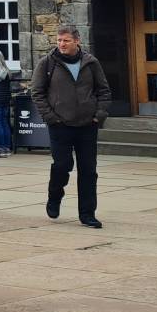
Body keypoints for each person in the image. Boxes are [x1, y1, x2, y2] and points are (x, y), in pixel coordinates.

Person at [30, 25, 110, 229]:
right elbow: (37, 93)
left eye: (65, 40)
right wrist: (51, 117)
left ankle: (87, 214)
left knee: (89, 171)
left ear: (77, 41)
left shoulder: (91, 63)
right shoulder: (47, 63)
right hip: (60, 125)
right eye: (59, 40)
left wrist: (99, 115)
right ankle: (54, 197)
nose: (61, 44)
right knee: (62, 166)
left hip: (87, 125)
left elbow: (104, 90)